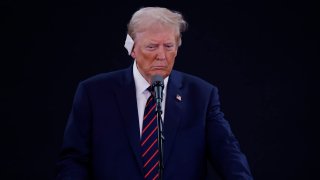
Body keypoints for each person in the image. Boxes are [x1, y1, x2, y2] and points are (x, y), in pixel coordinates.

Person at [55, 6, 253, 180]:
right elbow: (74, 160)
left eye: (169, 46)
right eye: (151, 46)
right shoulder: (94, 93)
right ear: (132, 48)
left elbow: (228, 153)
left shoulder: (201, 95)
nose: (162, 56)